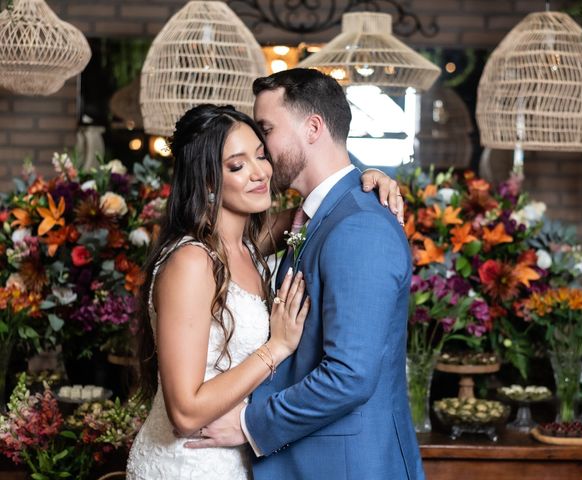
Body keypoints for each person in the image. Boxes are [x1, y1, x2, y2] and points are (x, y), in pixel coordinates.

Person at [126, 103, 405, 479]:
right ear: (208, 182)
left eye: (261, 155)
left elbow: (326, 203)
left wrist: (368, 176)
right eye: (238, 165)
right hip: (189, 461)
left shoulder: (252, 244)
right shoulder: (192, 263)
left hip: (240, 456)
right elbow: (186, 412)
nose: (261, 173)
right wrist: (276, 348)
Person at [187, 69, 424, 480]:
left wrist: (249, 423)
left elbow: (350, 376)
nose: (260, 149)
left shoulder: (359, 226)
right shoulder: (314, 216)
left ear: (313, 128)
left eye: (266, 130)